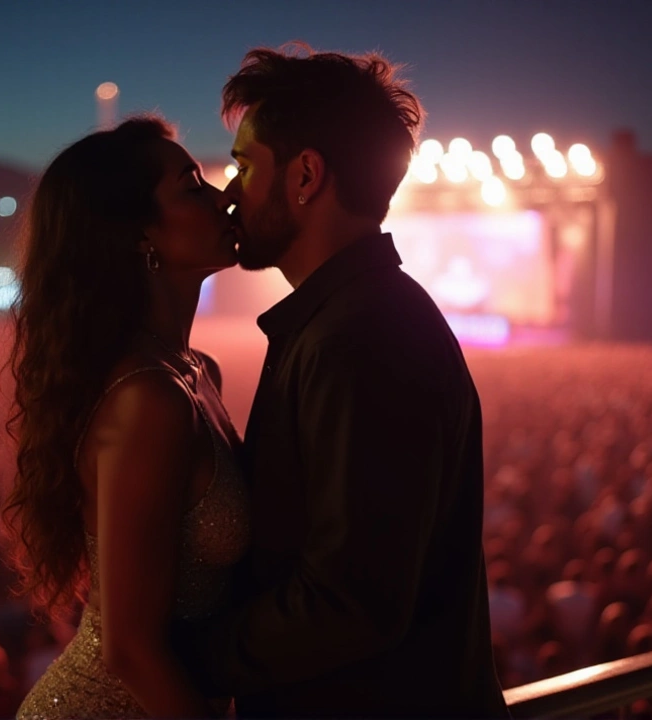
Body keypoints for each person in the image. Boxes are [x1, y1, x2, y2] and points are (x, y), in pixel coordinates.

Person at [176, 45, 509, 717]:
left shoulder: (359, 339)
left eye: (244, 164)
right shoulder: (349, 320)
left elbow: (349, 601)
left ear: (305, 176)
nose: (231, 192)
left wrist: (191, 658)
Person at [6, 116, 249, 718]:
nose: (225, 198)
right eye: (193, 188)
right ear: (140, 234)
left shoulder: (197, 371)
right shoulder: (150, 398)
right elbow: (132, 649)